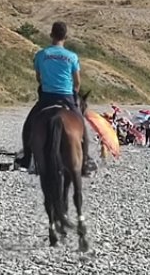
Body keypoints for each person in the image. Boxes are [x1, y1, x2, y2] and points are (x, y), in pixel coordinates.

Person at [14, 22, 95, 176]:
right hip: (66, 96)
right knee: (81, 128)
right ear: (66, 37)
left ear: (51, 35)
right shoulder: (72, 57)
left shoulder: (41, 55)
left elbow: (39, 77)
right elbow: (77, 82)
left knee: (29, 125)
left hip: (47, 97)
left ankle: (26, 158)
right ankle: (84, 161)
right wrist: (72, 94)